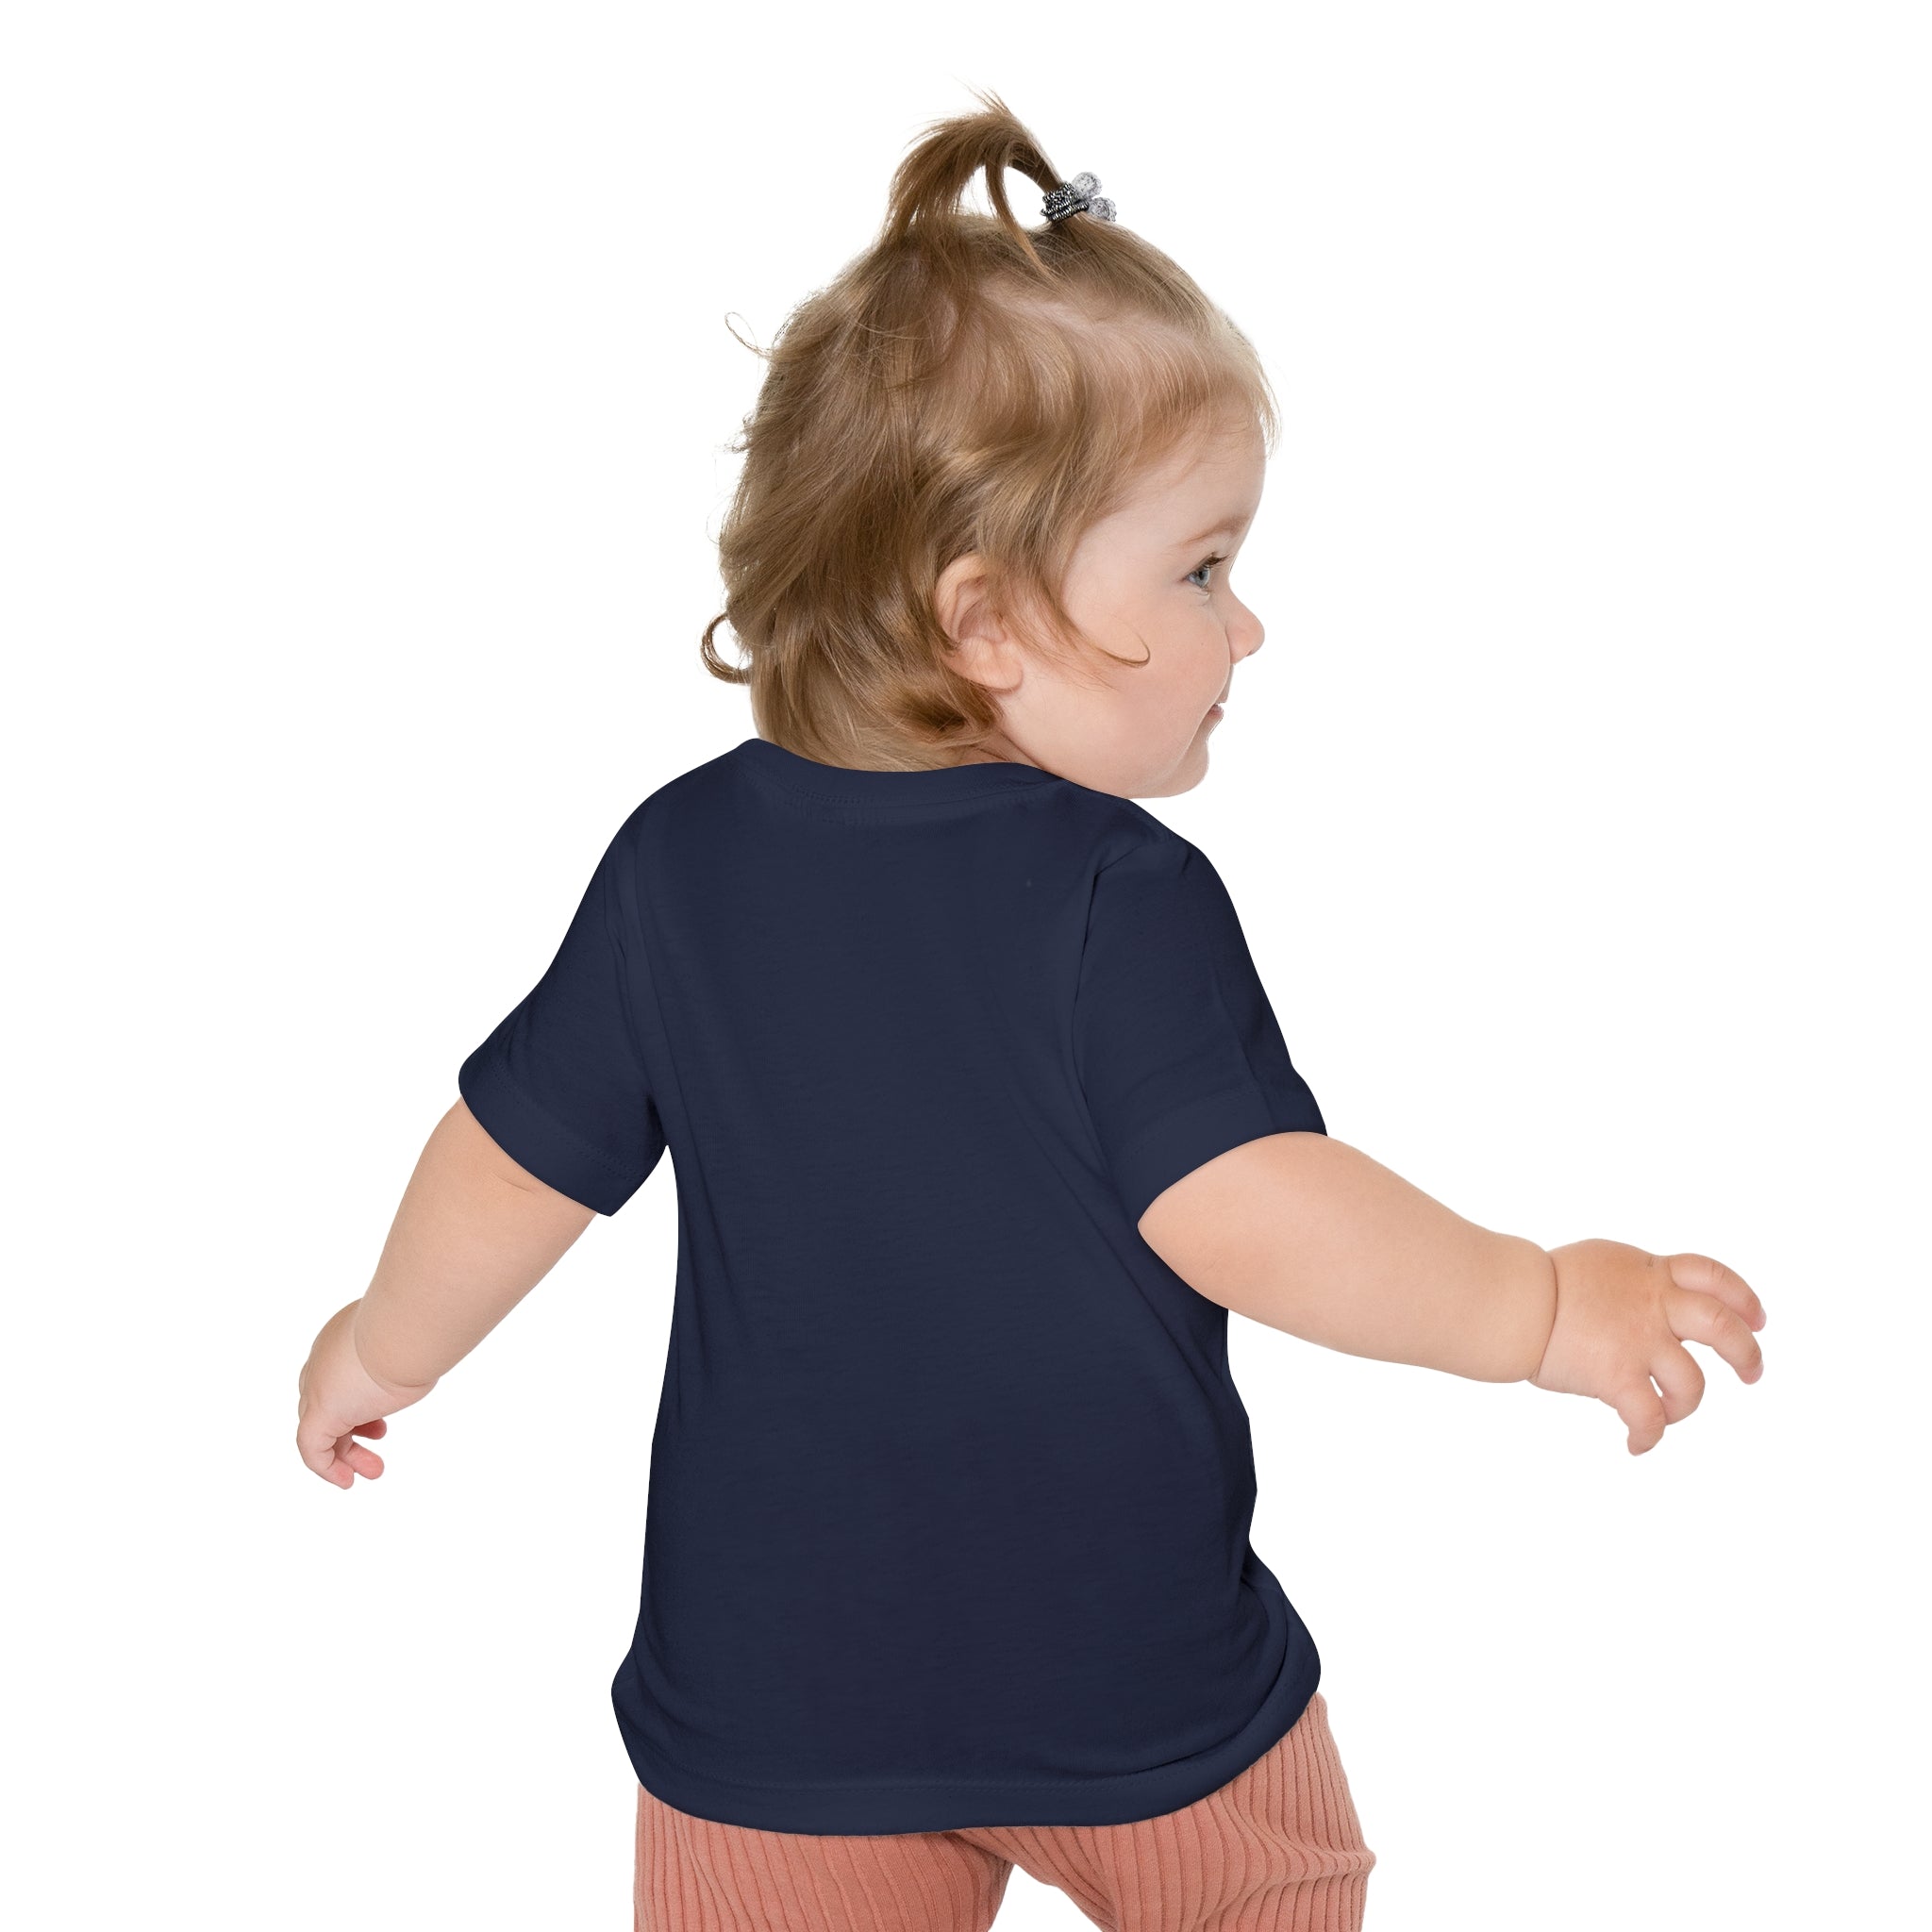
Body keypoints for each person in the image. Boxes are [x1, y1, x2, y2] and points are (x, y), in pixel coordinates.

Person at [295, 90, 1767, 1932]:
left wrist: (383, 1347)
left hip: (776, 1717)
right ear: (983, 621)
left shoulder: (678, 864)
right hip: (1139, 1696)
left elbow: (512, 1159)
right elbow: (1248, 1206)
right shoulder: (1113, 892)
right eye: (1203, 568)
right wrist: (1537, 1304)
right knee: (1269, 1896)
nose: (1247, 626)